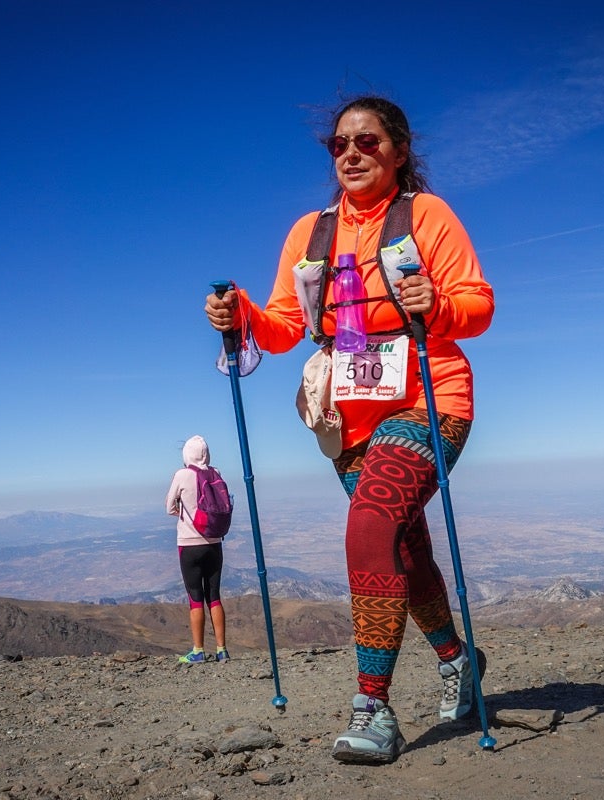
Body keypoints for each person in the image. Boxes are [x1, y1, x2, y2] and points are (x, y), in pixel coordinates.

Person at [204, 95, 494, 763]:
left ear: (399, 150)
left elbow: (477, 304)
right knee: (403, 549)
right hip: (348, 419)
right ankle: (458, 660)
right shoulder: (310, 232)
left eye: (367, 141)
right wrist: (240, 313)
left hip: (430, 396)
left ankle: (373, 708)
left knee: (369, 527)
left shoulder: (426, 214)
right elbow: (285, 327)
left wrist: (437, 304)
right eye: (339, 144)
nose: (352, 154)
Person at [165, 435, 229, 664]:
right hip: (214, 542)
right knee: (214, 596)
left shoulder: (182, 475)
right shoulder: (216, 473)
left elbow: (169, 506)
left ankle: (198, 651)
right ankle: (222, 650)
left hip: (189, 544)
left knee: (195, 598)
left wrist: (184, 514)